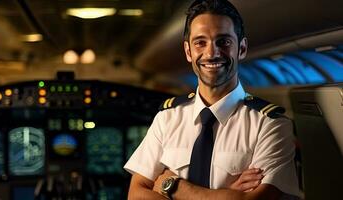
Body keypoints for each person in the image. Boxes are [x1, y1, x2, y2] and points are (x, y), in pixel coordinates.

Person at [124, 0, 300, 199]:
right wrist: (226, 195)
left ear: (241, 48)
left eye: (223, 42)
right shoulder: (167, 119)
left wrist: (173, 186)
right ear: (188, 52)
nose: (211, 53)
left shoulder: (270, 124)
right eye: (200, 42)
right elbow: (136, 194)